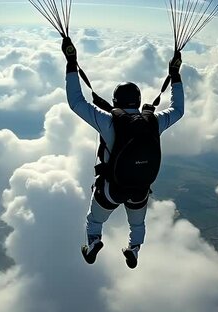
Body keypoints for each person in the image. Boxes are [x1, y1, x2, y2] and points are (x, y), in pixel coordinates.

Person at [62, 37, 184, 269]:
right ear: (138, 101)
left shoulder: (109, 121)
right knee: (137, 225)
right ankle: (134, 250)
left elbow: (76, 102)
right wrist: (175, 76)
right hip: (139, 189)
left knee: (94, 219)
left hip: (111, 189)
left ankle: (94, 242)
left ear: (116, 101)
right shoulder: (154, 122)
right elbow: (178, 110)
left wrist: (71, 62)